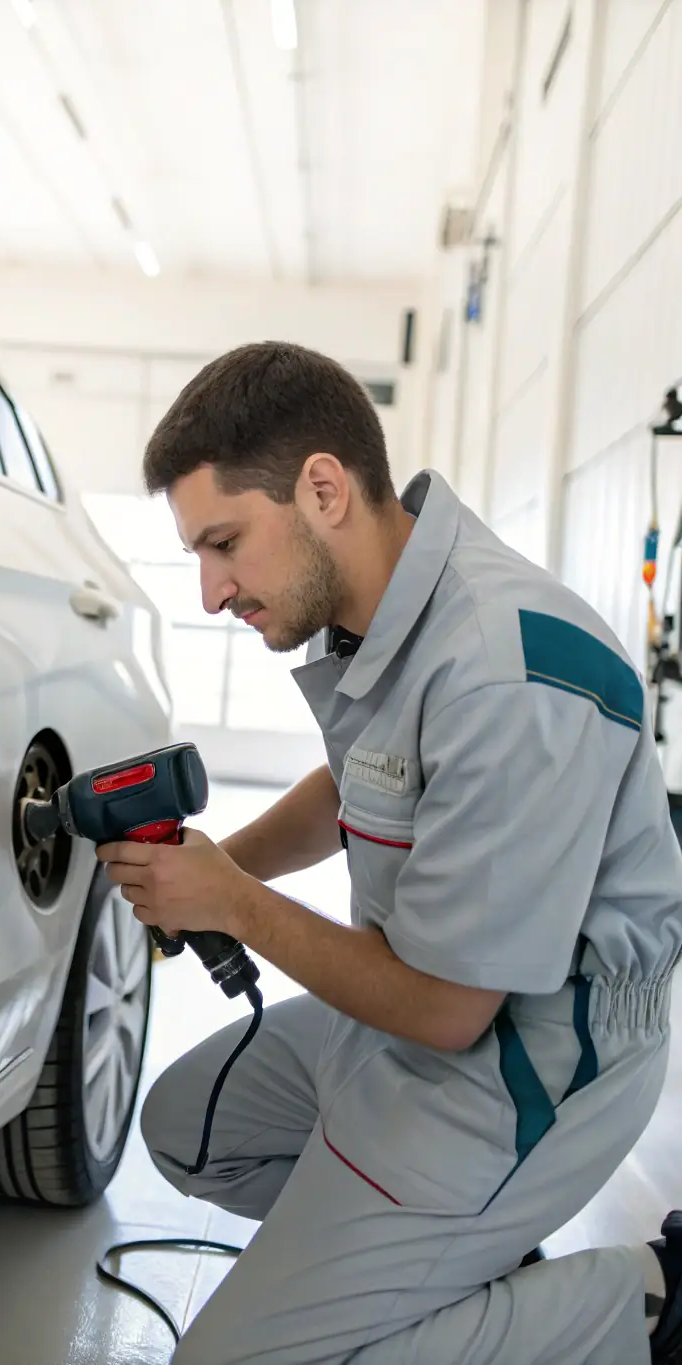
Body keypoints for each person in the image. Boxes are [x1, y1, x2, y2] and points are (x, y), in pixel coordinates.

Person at [96, 341, 682, 1364]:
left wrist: (232, 903)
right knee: (187, 1131)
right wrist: (217, 866)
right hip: (409, 1012)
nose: (209, 590)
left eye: (224, 543)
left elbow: (450, 1011)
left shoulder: (503, 672)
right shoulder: (384, 614)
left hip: (535, 1055)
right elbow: (360, 781)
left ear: (321, 488)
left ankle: (646, 1305)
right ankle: (455, 1264)